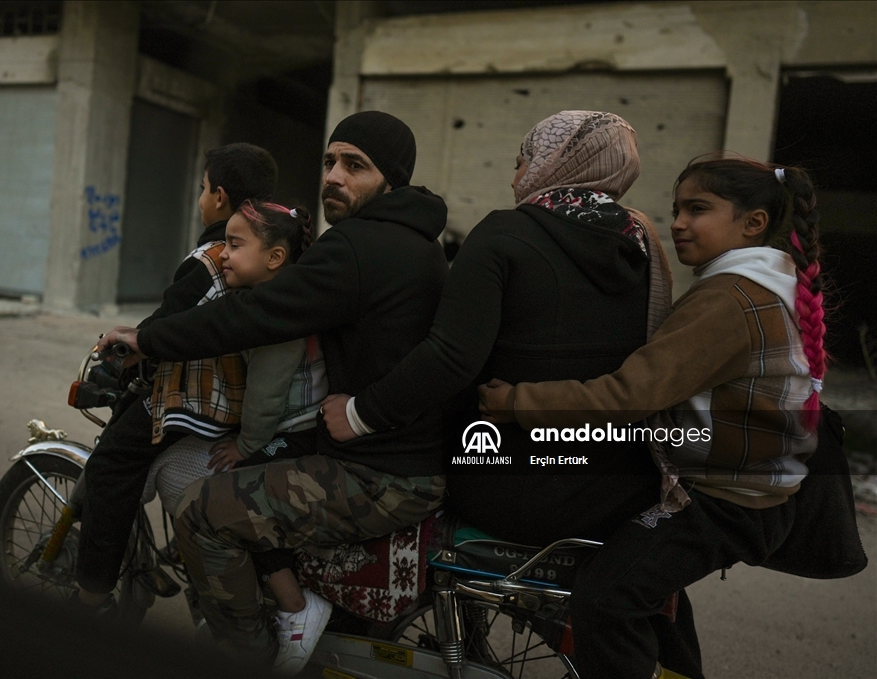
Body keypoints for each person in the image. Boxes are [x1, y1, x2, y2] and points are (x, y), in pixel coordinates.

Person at [97, 111, 449, 671]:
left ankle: (250, 657)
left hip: (378, 472)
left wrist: (148, 338)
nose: (334, 176)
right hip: (397, 452)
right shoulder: (417, 243)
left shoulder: (359, 246)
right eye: (330, 161)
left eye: (355, 165)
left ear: (391, 180)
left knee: (202, 512)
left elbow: (257, 314)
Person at [477, 157, 826, 678]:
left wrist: (515, 403)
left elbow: (628, 395)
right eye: (677, 209)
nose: (678, 223)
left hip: (725, 502)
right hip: (751, 491)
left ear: (753, 222)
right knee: (649, 589)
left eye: (698, 209)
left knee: (606, 597)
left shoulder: (730, 300)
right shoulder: (766, 284)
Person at [324, 110, 670, 547]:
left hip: (506, 490)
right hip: (617, 494)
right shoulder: (642, 244)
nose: (513, 180)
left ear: (556, 164)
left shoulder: (504, 234)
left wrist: (359, 415)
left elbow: (451, 357)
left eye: (522, 163)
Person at [74, 143, 278, 612]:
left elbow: (166, 325)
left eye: (203, 188)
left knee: (111, 465)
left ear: (219, 197)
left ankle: (92, 596)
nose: (201, 198)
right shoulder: (266, 248)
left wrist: (126, 349)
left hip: (203, 398)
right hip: (244, 398)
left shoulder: (211, 256)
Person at [140, 200, 331, 674]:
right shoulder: (270, 299)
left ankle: (294, 604)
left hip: (295, 432)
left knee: (235, 500)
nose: (223, 253)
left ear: (275, 258)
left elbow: (266, 397)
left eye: (236, 244)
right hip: (287, 428)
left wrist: (245, 446)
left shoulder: (278, 316)